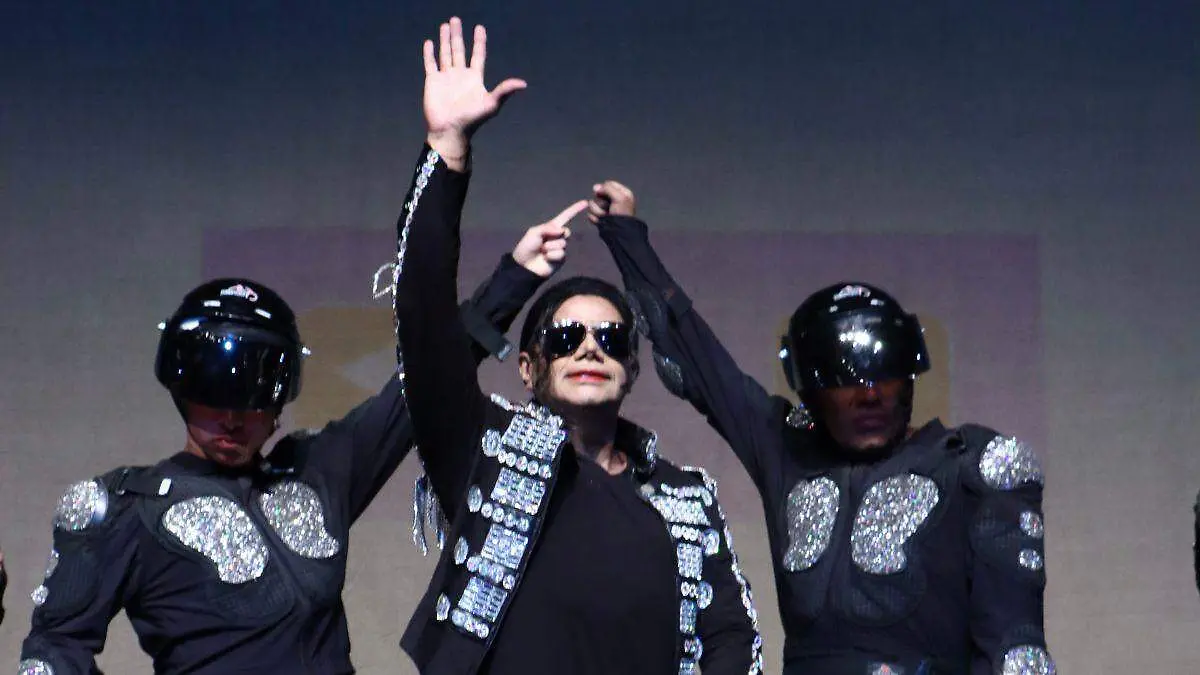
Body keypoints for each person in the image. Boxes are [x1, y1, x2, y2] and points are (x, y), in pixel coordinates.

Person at [17, 212, 557, 671]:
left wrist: (513, 280)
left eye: (253, 398)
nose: (233, 419)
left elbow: (420, 384)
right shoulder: (125, 509)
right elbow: (55, 648)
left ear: (279, 402)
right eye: (214, 396)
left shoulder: (316, 472)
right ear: (182, 387)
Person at [392, 17, 763, 675]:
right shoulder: (485, 453)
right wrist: (448, 151)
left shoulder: (684, 496)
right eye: (565, 337)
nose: (590, 348)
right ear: (528, 367)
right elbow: (425, 327)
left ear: (631, 369)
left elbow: (731, 638)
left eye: (611, 338)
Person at [586, 180, 1055, 674]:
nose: (869, 395)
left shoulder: (973, 465)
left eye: (885, 377)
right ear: (809, 391)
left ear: (909, 378)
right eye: (844, 381)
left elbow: (1016, 649)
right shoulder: (788, 449)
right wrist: (627, 236)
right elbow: (698, 361)